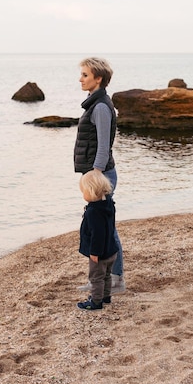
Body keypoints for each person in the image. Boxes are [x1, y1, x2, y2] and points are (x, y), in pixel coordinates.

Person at [74, 57, 126, 294]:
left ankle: (115, 280)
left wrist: (95, 174)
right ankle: (102, 281)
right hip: (96, 172)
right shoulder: (94, 103)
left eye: (85, 75)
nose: (81, 79)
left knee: (105, 229)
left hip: (101, 173)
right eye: (81, 74)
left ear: (99, 79)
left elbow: (104, 146)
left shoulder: (102, 107)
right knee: (100, 228)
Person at [76, 170, 118, 310]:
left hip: (100, 253)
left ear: (91, 191)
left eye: (84, 192)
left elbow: (97, 235)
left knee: (96, 277)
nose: (83, 195)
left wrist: (94, 252)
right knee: (106, 275)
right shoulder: (108, 204)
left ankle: (96, 302)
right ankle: (105, 297)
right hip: (111, 249)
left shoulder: (93, 212)